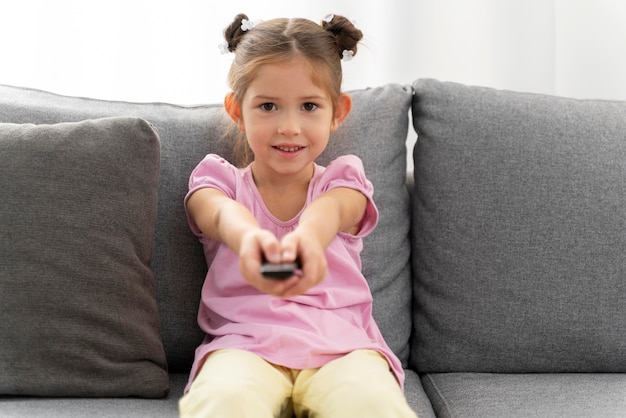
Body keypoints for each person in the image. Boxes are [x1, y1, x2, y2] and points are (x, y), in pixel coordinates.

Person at [179, 13, 418, 418]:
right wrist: (250, 239)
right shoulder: (218, 181)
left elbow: (333, 210)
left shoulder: (343, 181)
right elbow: (220, 214)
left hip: (342, 349)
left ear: (337, 111)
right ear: (237, 110)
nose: (289, 127)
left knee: (373, 405)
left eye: (309, 106)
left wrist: (307, 238)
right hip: (243, 347)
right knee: (223, 403)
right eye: (268, 106)